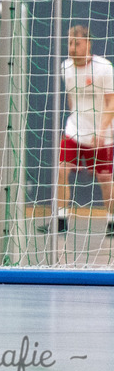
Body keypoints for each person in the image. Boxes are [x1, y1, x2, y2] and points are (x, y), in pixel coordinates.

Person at [42, 25, 114, 236]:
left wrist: (101, 130)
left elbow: (111, 102)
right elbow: (71, 97)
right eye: (70, 43)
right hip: (74, 129)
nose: (72, 48)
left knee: (105, 179)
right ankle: (61, 220)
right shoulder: (65, 67)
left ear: (88, 44)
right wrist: (75, 119)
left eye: (77, 43)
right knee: (61, 170)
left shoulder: (104, 68)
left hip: (102, 134)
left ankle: (112, 221)